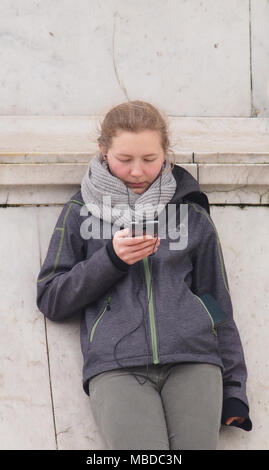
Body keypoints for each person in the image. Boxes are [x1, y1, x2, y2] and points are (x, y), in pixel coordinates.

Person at [36, 100, 252, 450]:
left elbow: (215, 302)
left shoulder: (191, 212)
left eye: (150, 160)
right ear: (103, 152)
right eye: (125, 160)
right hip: (117, 367)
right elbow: (51, 297)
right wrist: (111, 260)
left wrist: (234, 389)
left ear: (165, 154)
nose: (137, 171)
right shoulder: (80, 212)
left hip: (195, 362)